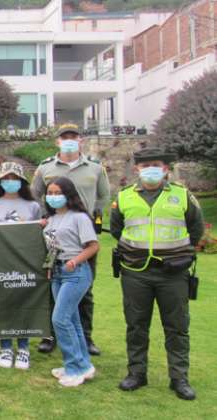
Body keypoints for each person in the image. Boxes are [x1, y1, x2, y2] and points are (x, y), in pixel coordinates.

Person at [110, 148, 203, 400]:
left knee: (177, 327)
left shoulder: (183, 196)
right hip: (135, 271)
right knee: (136, 326)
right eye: (145, 165)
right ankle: (137, 374)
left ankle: (179, 378)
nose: (150, 169)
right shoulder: (124, 196)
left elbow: (195, 230)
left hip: (173, 273)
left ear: (165, 169)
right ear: (137, 170)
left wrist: (179, 253)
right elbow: (117, 229)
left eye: (156, 165)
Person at [31, 123, 110, 356]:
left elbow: (104, 195)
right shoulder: (45, 168)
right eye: (64, 137)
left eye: (73, 137)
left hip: (82, 236)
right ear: (57, 141)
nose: (69, 140)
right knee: (52, 287)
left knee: (84, 289)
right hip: (55, 234)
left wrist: (86, 215)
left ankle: (86, 337)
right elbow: (35, 193)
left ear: (80, 140)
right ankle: (50, 336)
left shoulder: (95, 168)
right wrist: (48, 215)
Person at [0, 162, 42, 370]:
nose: (10, 183)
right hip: (0, 262)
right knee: (4, 305)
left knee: (24, 304)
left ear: (21, 182)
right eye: (6, 179)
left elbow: (38, 235)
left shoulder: (33, 206)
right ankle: (5, 346)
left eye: (14, 179)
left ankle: (24, 348)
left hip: (26, 263)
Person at [42, 177, 98, 387]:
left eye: (58, 192)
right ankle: (84, 365)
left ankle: (74, 368)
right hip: (56, 272)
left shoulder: (79, 218)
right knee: (72, 321)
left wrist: (75, 261)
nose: (53, 197)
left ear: (68, 194)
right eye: (50, 193)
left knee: (60, 319)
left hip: (75, 272)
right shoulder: (52, 219)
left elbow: (93, 246)